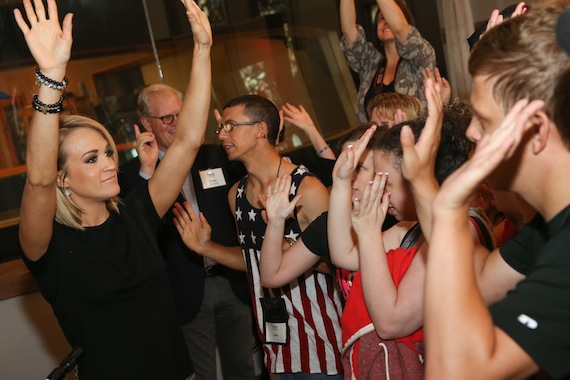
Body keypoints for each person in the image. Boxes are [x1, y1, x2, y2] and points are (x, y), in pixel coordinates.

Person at [14, 0, 211, 379]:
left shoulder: (137, 213)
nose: (108, 163)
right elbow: (37, 179)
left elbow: (187, 141)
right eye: (90, 159)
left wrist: (202, 49)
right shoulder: (50, 247)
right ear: (62, 179)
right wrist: (52, 75)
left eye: (107, 151)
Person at [420, 1, 570, 378]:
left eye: (484, 120)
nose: (471, 133)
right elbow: (482, 281)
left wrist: (450, 210)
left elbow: (455, 372)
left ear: (534, 130)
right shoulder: (548, 229)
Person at [173, 94, 343, 378]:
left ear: (260, 130)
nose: (222, 135)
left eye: (230, 126)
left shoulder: (308, 189)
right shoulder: (236, 195)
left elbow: (340, 263)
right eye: (221, 128)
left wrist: (292, 250)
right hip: (277, 346)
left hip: (322, 342)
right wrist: (207, 247)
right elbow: (252, 259)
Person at [119, 83, 254, 380]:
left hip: (231, 281)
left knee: (244, 370)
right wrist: (147, 171)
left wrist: (237, 140)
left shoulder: (214, 156)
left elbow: (253, 188)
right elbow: (139, 231)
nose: (176, 123)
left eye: (180, 114)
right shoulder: (131, 175)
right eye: (166, 118)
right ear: (146, 124)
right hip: (184, 291)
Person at [259, 126, 377, 303]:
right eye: (344, 164)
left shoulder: (397, 221)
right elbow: (271, 277)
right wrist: (276, 222)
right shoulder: (330, 223)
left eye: (358, 166)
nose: (348, 172)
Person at [339, 0, 436, 124]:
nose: (385, 22)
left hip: (412, 140)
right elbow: (348, 31)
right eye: (380, 19)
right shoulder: (371, 64)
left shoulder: (420, 58)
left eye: (388, 18)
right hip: (374, 142)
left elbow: (400, 28)